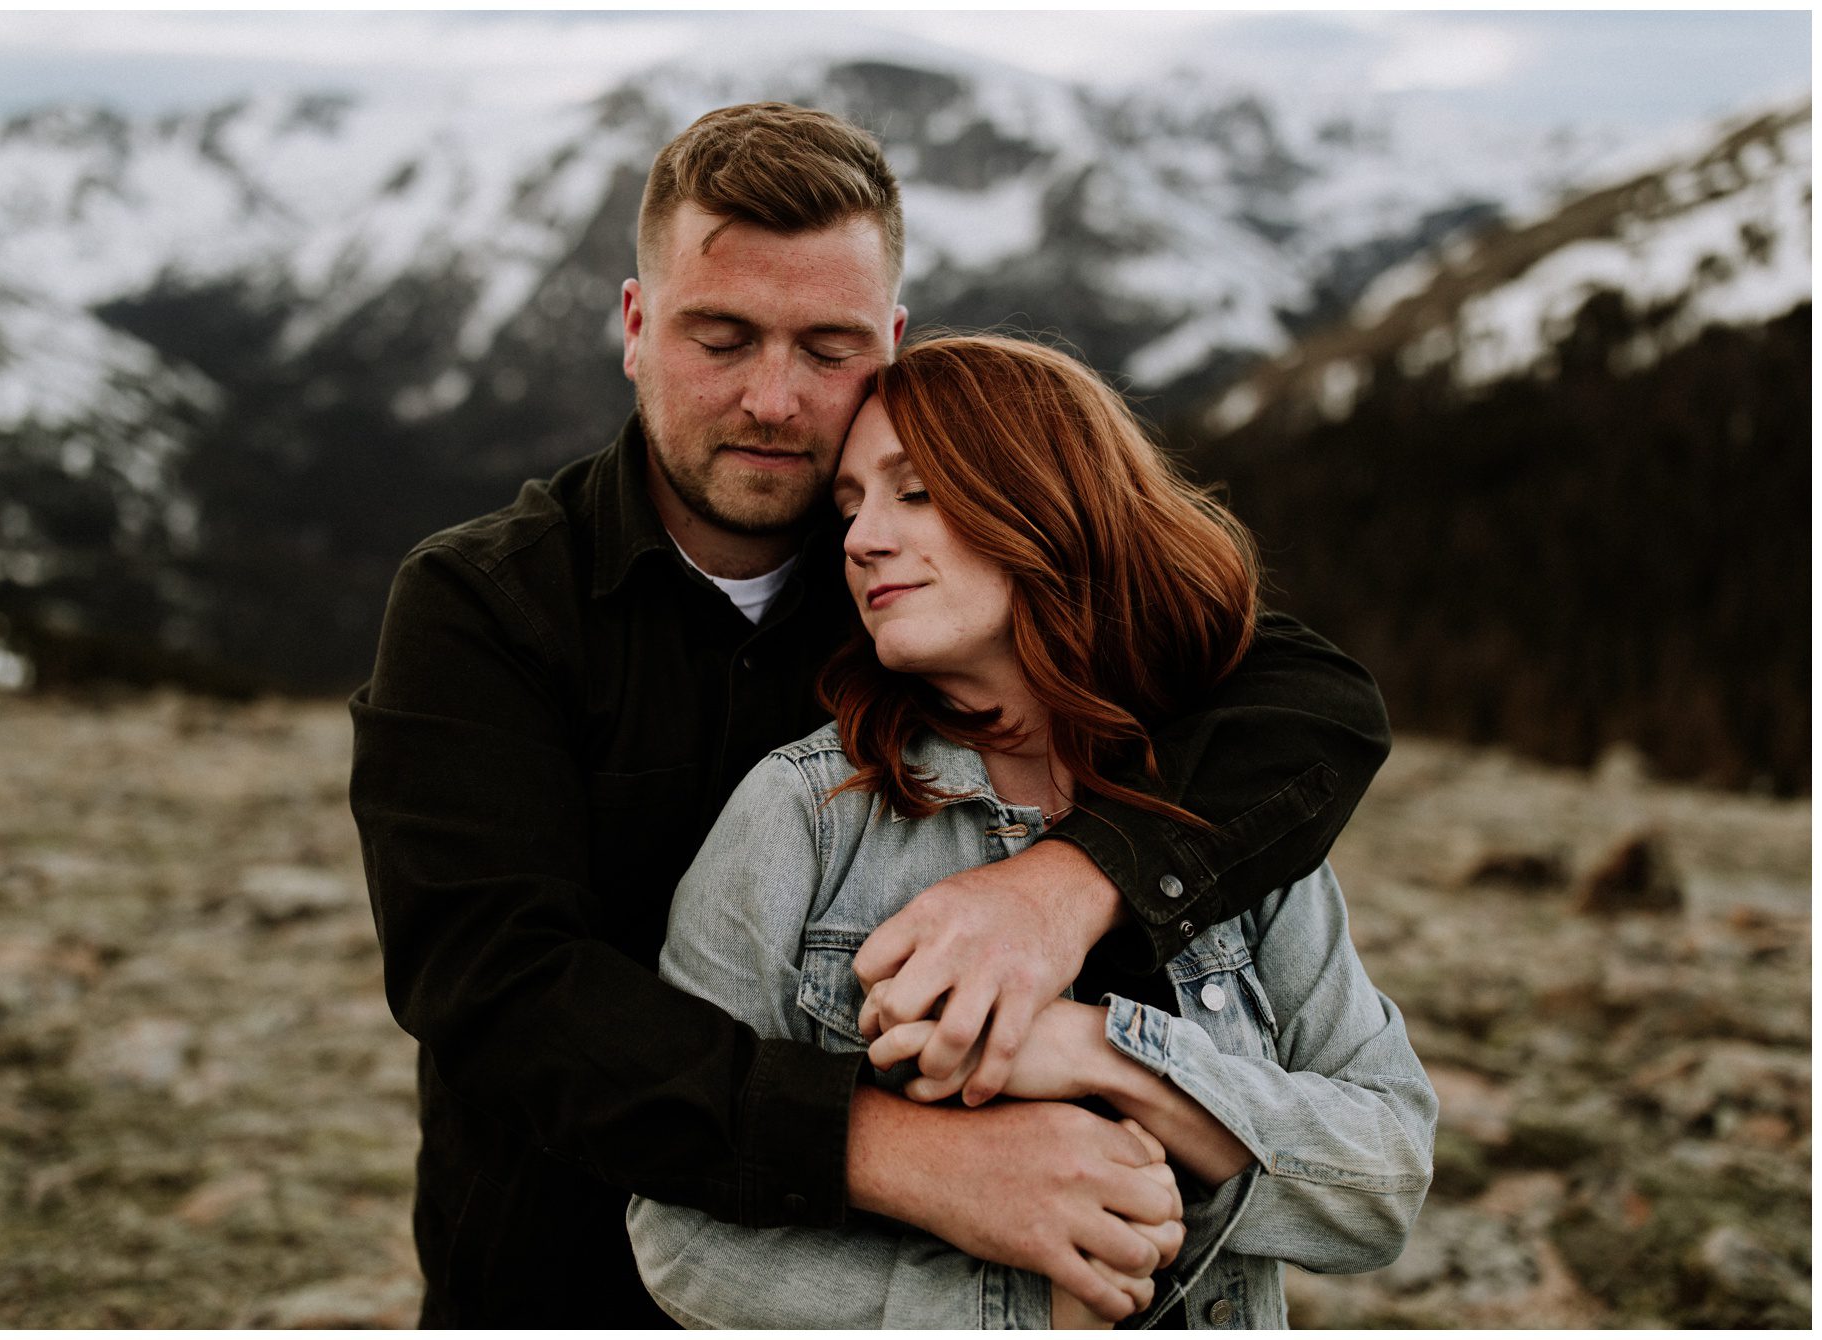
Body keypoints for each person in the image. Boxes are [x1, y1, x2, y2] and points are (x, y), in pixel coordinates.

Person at [349, 102, 1393, 1327]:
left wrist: (1060, 889)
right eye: (721, 336)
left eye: (826, 347)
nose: (775, 398)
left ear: (890, 344)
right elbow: (496, 988)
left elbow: (1309, 699)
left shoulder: (926, 591)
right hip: (561, 1271)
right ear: (635, 327)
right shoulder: (483, 603)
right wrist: (899, 1151)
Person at [627, 334, 1435, 1328]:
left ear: (1046, 503)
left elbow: (1386, 1177)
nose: (860, 538)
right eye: (849, 505)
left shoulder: (1217, 814)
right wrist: (1010, 1314)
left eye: (913, 491)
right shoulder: (799, 818)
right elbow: (679, 1231)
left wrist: (1109, 1053)